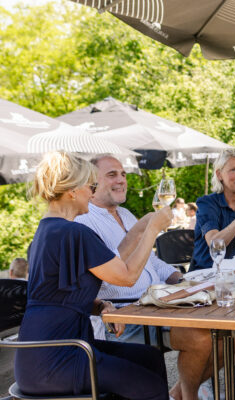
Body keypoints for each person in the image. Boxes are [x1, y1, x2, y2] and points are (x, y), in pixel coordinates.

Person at [14, 151, 171, 399]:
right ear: (73, 190)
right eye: (91, 186)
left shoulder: (46, 231)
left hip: (40, 354)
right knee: (150, 387)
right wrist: (152, 229)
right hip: (59, 357)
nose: (93, 193)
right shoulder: (75, 233)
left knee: (149, 358)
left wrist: (102, 305)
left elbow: (58, 295)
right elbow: (127, 276)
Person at [75, 155, 209, 400]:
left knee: (224, 336)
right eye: (112, 175)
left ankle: (179, 395)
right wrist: (149, 229)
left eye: (123, 174)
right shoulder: (84, 221)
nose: (121, 180)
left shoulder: (126, 214)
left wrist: (180, 279)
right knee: (200, 338)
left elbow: (151, 260)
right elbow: (106, 278)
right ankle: (190, 397)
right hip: (123, 317)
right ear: (91, 183)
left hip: (156, 306)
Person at [192, 148, 235, 270]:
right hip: (206, 276)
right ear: (219, 175)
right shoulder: (207, 204)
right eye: (233, 169)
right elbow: (215, 245)